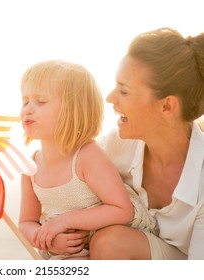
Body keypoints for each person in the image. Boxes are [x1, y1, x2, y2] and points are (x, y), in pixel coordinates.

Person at [53, 27, 204, 260]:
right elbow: (65, 169)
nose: (110, 97)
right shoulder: (115, 147)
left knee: (110, 243)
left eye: (124, 90)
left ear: (167, 107)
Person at [18, 60, 159, 260]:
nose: (28, 109)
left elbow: (122, 210)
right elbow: (26, 222)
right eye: (25, 101)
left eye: (41, 101)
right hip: (70, 252)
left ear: (72, 110)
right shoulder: (30, 168)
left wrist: (64, 221)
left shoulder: (87, 156)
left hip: (114, 243)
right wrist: (48, 239)